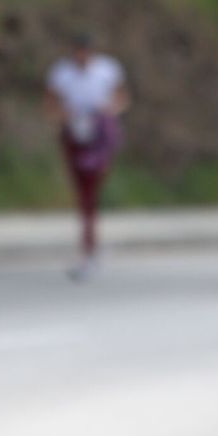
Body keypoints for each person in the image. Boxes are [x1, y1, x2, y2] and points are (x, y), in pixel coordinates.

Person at [44, 33, 129, 280]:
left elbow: (121, 98)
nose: (82, 56)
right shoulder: (61, 73)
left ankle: (90, 245)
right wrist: (64, 115)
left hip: (100, 133)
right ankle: (89, 245)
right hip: (75, 133)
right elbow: (50, 104)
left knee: (92, 189)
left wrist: (108, 111)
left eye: (86, 52)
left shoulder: (108, 70)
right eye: (78, 52)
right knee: (83, 192)